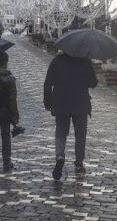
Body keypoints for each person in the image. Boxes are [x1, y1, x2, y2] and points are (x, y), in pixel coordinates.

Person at [42, 51, 98, 180]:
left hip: (61, 103)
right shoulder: (85, 61)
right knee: (80, 135)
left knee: (61, 133)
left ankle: (60, 156)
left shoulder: (57, 61)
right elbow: (93, 83)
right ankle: (79, 163)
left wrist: (48, 101)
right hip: (80, 104)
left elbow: (48, 83)